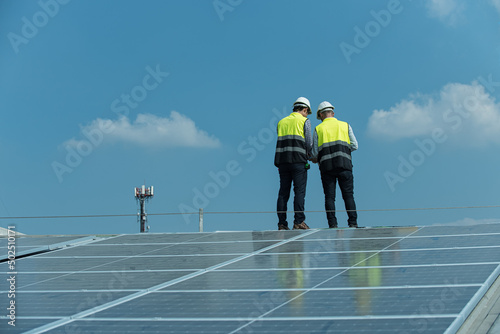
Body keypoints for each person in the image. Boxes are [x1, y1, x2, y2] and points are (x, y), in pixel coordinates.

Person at [311, 101, 358, 228]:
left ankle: (333, 224)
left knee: (330, 197)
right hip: (345, 165)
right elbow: (355, 145)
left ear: (321, 115)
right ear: (333, 113)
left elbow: (315, 153)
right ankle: (353, 223)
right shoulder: (345, 125)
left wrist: (315, 159)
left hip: (327, 168)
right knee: (348, 195)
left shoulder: (318, 129)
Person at [274, 97, 313, 230]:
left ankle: (282, 224)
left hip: (283, 162)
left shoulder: (281, 122)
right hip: (298, 161)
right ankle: (298, 221)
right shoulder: (305, 121)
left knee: (283, 193)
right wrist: (310, 155)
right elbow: (309, 143)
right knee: (299, 192)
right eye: (307, 112)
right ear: (305, 109)